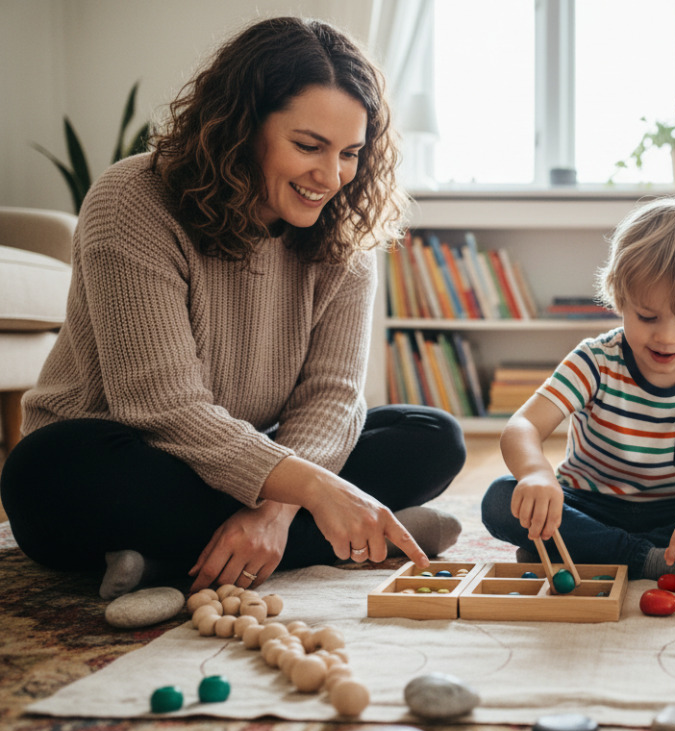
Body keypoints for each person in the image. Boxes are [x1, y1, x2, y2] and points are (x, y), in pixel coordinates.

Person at [0, 17, 466, 600]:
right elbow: (161, 407)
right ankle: (350, 536)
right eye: (307, 146)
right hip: (128, 452)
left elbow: (333, 394)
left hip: (252, 460)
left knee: (432, 435)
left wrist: (275, 510)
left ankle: (168, 556)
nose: (331, 177)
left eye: (350, 153)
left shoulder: (343, 232)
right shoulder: (131, 200)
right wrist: (318, 494)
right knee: (45, 471)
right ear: (241, 128)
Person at [480, 196, 675, 590]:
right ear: (620, 299)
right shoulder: (595, 359)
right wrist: (537, 475)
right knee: (501, 499)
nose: (666, 336)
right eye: (646, 316)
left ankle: (582, 551)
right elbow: (522, 427)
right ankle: (650, 560)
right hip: (588, 503)